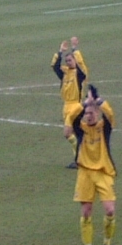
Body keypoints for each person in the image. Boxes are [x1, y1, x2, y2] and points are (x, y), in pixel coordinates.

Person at [64, 85, 116, 245]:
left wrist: (98, 101)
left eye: (93, 111)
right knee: (86, 212)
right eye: (87, 112)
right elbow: (71, 117)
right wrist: (85, 103)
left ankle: (107, 244)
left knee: (109, 210)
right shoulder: (81, 129)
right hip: (85, 173)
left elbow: (110, 114)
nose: (90, 114)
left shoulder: (104, 127)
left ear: (97, 113)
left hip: (103, 172)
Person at [50, 36, 89, 169]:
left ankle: (80, 158)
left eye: (70, 60)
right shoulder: (65, 73)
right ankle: (80, 159)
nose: (69, 62)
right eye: (67, 61)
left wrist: (74, 49)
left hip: (76, 106)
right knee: (73, 134)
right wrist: (60, 51)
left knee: (67, 133)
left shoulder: (79, 74)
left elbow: (81, 65)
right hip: (66, 106)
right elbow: (54, 66)